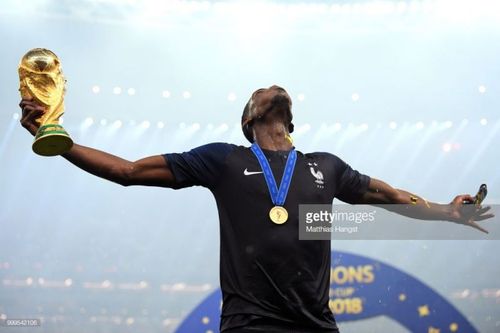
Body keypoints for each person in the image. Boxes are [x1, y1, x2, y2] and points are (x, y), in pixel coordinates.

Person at [19, 85, 493, 333]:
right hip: (250, 325)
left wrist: (446, 212)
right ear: (250, 118)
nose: (272, 87)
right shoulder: (224, 159)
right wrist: (56, 141)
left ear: (290, 118)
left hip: (316, 324)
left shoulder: (324, 166)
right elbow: (128, 171)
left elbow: (389, 197)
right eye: (261, 90)